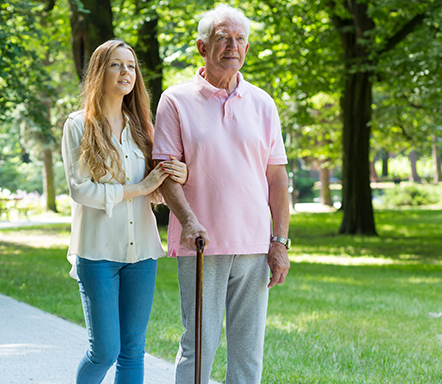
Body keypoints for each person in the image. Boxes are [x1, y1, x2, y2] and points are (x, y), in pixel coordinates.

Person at [152, 4, 290, 384]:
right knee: (200, 345)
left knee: (248, 351)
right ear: (201, 46)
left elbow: (277, 179)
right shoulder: (176, 100)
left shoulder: (262, 102)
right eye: (222, 38)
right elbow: (165, 173)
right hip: (200, 243)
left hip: (254, 244)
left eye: (240, 39)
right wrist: (190, 221)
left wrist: (279, 242)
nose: (233, 45)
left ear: (247, 47)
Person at [62, 39, 188, 384]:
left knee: (133, 349)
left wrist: (180, 175)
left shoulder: (143, 128)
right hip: (97, 252)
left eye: (131, 66)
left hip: (142, 253)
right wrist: (140, 189)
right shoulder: (78, 125)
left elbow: (159, 189)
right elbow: (81, 190)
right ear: (100, 72)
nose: (126, 72)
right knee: (104, 350)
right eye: (116, 65)